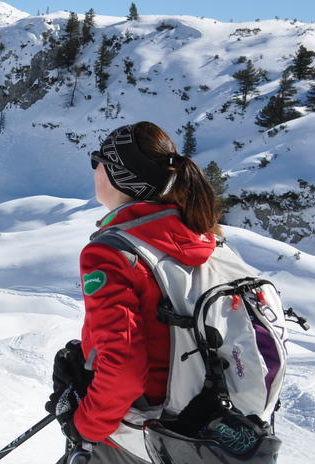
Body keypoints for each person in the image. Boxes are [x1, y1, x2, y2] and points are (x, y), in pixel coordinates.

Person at [46, 121, 222, 463]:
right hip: (206, 429)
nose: (94, 167)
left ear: (116, 174)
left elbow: (124, 369)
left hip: (143, 435)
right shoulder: (204, 241)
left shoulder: (111, 253)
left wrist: (83, 425)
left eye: (98, 159)